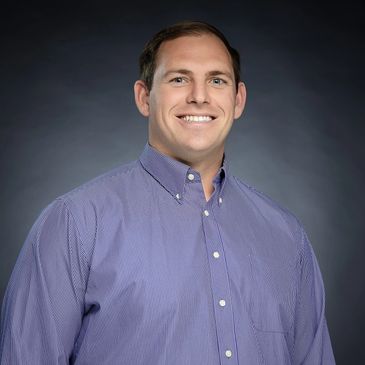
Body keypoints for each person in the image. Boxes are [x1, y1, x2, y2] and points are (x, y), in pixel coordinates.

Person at [0, 21, 335, 364]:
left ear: (238, 100)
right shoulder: (75, 224)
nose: (199, 96)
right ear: (144, 97)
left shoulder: (287, 236)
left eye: (216, 80)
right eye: (179, 79)